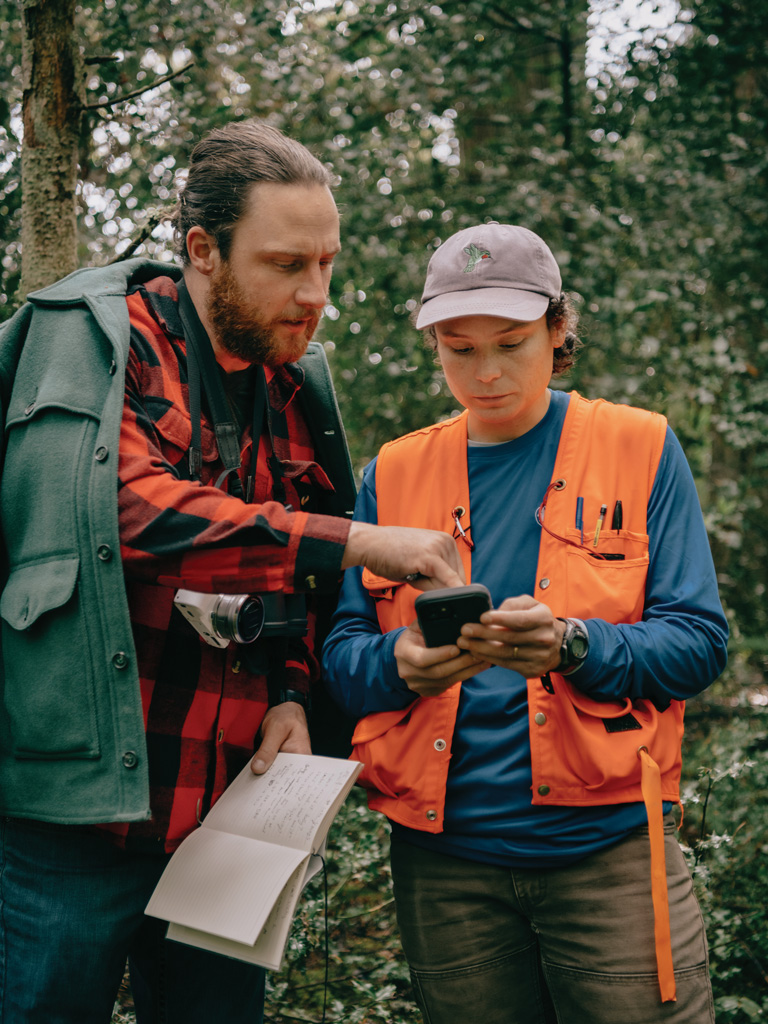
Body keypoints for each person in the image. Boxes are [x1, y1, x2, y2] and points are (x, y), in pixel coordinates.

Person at [0, 119, 465, 1024]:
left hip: (226, 822)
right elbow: (126, 508)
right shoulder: (100, 340)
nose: (316, 293)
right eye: (288, 264)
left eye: (327, 263)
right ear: (203, 250)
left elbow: (291, 591)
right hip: (77, 821)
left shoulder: (292, 388)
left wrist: (292, 693)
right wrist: (357, 539)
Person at [322, 223, 729, 1024]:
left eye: (510, 342)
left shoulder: (639, 447)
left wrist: (577, 646)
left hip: (608, 854)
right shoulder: (392, 473)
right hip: (445, 868)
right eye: (458, 348)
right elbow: (338, 656)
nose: (487, 372)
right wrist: (400, 661)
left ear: (557, 328)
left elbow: (699, 639)